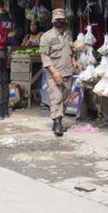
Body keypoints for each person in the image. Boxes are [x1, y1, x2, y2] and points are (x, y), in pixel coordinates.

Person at [40, 9, 79, 137]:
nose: (59, 22)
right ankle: (57, 123)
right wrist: (54, 73)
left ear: (65, 21)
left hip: (68, 72)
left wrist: (74, 60)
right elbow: (44, 56)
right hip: (54, 73)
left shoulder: (68, 34)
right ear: (52, 21)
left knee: (65, 99)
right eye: (57, 20)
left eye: (61, 20)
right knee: (56, 98)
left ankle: (58, 120)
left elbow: (71, 50)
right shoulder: (46, 37)